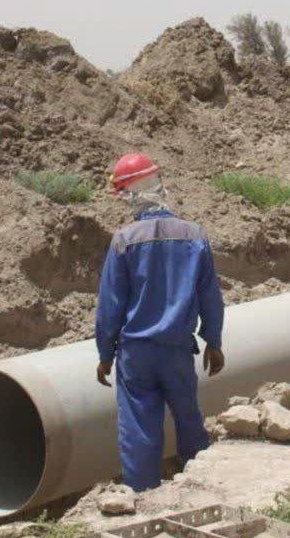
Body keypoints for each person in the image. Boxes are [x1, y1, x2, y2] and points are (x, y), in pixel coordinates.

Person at [96, 153, 225, 492]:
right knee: (188, 419)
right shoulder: (194, 235)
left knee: (139, 427)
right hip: (178, 350)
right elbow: (210, 294)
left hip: (136, 352)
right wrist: (214, 340)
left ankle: (141, 497)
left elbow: (111, 304)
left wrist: (105, 353)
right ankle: (200, 488)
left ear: (129, 195)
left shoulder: (124, 240)